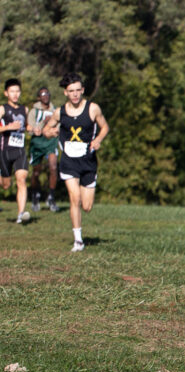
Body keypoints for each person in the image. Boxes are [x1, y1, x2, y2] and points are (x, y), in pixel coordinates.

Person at [43, 73, 109, 252]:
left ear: (83, 90)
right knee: (75, 198)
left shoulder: (92, 108)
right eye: (71, 91)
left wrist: (98, 140)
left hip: (88, 162)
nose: (75, 94)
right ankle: (78, 240)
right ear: (65, 92)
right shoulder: (60, 112)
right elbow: (46, 129)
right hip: (69, 161)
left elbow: (105, 127)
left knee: (86, 206)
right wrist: (50, 132)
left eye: (78, 90)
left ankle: (80, 235)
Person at [0, 78, 31, 224]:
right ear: (6, 93)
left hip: (19, 151)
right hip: (4, 151)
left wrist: (36, 129)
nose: (15, 94)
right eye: (12, 91)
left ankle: (21, 214)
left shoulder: (24, 109)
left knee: (21, 179)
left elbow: (26, 126)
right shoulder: (2, 109)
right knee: (6, 185)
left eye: (17, 91)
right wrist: (7, 128)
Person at [27, 87, 60, 212]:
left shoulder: (55, 110)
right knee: (36, 172)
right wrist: (42, 122)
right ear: (39, 97)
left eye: (47, 93)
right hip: (37, 143)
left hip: (51, 142)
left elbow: (59, 127)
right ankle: (35, 195)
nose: (45, 96)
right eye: (42, 94)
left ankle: (51, 197)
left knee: (53, 167)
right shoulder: (33, 111)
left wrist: (53, 129)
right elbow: (30, 129)